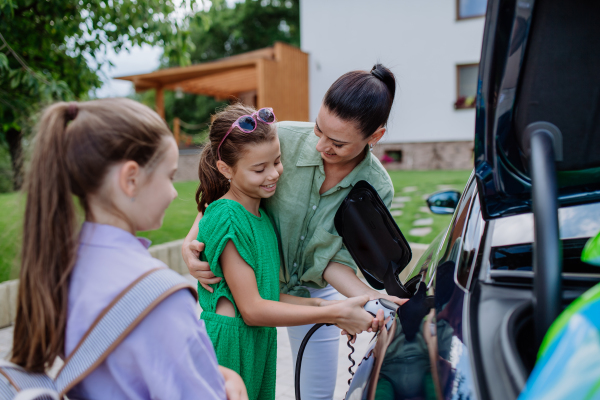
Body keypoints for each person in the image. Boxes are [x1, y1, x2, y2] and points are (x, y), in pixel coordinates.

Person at [184, 64, 404, 399]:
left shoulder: (375, 187)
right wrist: (193, 237)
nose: (321, 146)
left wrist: (373, 301)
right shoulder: (280, 138)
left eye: (338, 143)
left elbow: (333, 261)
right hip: (256, 288)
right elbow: (225, 186)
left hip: (310, 288)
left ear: (375, 137)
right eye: (319, 130)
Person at [11, 98, 247, 400]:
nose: (174, 193)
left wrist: (216, 372)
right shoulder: (160, 297)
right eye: (170, 176)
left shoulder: (62, 267)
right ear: (131, 179)